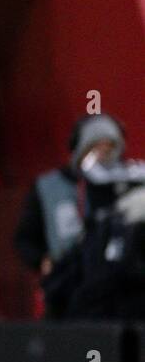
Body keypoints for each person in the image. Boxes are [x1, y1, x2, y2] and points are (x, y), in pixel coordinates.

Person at [14, 114, 125, 313]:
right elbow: (24, 238)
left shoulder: (121, 187)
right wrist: (41, 260)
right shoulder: (48, 187)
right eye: (95, 148)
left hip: (111, 289)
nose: (102, 156)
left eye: (109, 150)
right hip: (64, 287)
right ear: (80, 149)